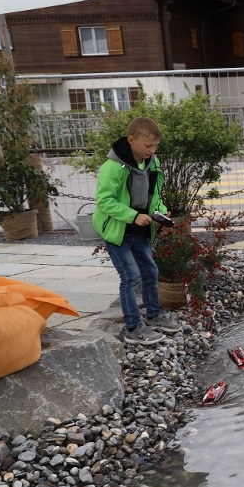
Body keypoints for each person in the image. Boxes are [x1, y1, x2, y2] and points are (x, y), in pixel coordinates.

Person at [92, 116, 182, 346]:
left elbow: (155, 197)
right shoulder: (112, 167)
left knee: (150, 272)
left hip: (141, 230)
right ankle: (133, 328)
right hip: (118, 231)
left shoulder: (152, 163)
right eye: (148, 146)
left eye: (155, 146)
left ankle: (154, 316)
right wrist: (133, 216)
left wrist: (161, 212)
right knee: (130, 276)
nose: (152, 151)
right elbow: (104, 201)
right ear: (131, 140)